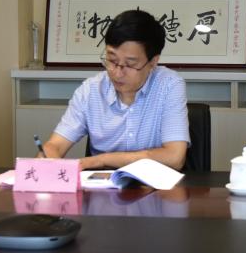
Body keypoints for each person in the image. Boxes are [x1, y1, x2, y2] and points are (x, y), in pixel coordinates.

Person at [40, 9, 189, 170]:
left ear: (153, 62)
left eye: (130, 64)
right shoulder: (90, 90)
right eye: (112, 60)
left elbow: (175, 157)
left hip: (155, 185)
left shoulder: (169, 85)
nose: (117, 73)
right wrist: (48, 158)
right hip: (102, 184)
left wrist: (100, 160)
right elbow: (54, 146)